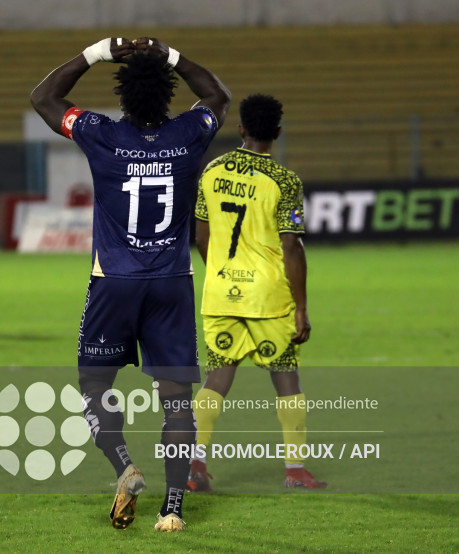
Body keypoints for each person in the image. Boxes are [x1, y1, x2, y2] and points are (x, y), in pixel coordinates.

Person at [31, 37, 230, 532]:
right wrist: (171, 55)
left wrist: (98, 53)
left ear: (122, 97)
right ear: (167, 95)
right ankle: (174, 510)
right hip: (171, 283)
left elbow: (44, 98)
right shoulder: (189, 133)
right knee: (177, 398)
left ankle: (125, 467)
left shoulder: (101, 134)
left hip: (114, 282)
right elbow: (217, 96)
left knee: (95, 382)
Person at [189, 94, 326, 492]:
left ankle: (195, 466)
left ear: (241, 129)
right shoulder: (285, 181)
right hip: (268, 297)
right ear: (278, 133)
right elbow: (291, 246)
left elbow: (201, 235)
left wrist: (220, 271)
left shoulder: (211, 171)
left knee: (216, 378)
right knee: (286, 378)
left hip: (221, 292)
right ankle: (295, 470)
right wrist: (300, 307)